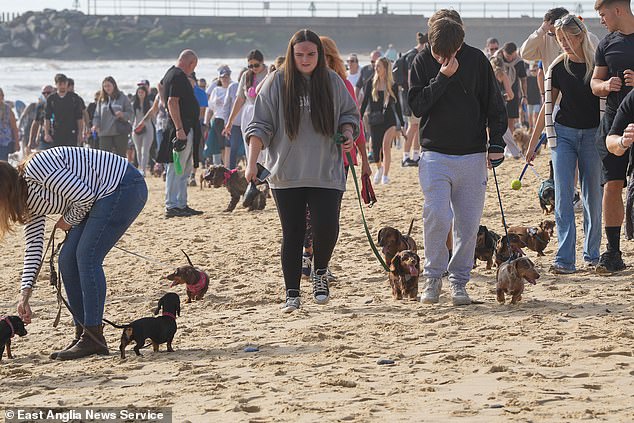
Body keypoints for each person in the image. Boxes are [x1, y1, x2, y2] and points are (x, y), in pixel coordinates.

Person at [245, 29, 359, 313]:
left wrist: (347, 133)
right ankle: (292, 293)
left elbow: (350, 115)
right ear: (291, 55)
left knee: (326, 226)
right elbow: (259, 125)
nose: (305, 60)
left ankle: (320, 271)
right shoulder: (275, 82)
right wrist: (251, 162)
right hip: (286, 173)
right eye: (299, 55)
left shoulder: (332, 81)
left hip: (326, 170)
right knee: (292, 232)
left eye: (311, 54)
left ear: (320, 55)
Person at [0, 147, 148, 360]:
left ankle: (93, 337)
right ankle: (83, 333)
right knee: (67, 260)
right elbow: (33, 246)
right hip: (97, 198)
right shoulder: (26, 201)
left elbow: (85, 197)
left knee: (87, 257)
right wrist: (25, 294)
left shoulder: (37, 169)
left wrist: (67, 221)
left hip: (123, 185)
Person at [408, 12, 507, 305]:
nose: (441, 59)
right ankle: (432, 278)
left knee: (468, 225)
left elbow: (494, 105)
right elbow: (416, 106)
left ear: (460, 44)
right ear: (430, 45)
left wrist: (497, 142)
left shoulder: (477, 61)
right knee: (437, 215)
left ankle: (459, 282)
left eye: (447, 55)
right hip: (434, 154)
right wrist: (441, 77)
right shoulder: (422, 61)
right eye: (437, 54)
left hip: (472, 155)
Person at [526, 14, 602, 274]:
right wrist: (533, 144)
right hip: (564, 135)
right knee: (563, 197)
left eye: (568, 38)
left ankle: (592, 256)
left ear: (580, 36)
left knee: (593, 196)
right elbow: (547, 107)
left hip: (594, 135)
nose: (564, 44)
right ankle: (564, 259)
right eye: (560, 40)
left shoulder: (598, 64)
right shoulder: (557, 68)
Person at [590, 0, 634, 273]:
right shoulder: (606, 44)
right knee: (612, 184)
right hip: (615, 122)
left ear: (618, 9)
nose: (601, 20)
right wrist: (605, 85)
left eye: (603, 14)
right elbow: (594, 83)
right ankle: (613, 252)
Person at [156, 49, 204, 218]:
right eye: (193, 67)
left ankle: (181, 203)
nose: (193, 70)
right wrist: (179, 128)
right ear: (190, 63)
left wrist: (165, 107)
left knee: (183, 168)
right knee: (176, 167)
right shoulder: (178, 76)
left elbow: (160, 86)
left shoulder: (170, 73)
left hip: (183, 126)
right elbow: (172, 101)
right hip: (181, 128)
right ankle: (172, 205)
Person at [360, 56, 405, 184]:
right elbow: (364, 103)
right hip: (374, 120)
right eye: (375, 66)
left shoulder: (392, 85)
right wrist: (358, 117)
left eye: (378, 66)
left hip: (388, 120)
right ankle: (379, 168)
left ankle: (385, 175)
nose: (376, 68)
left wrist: (401, 124)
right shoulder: (371, 83)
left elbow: (397, 106)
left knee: (386, 147)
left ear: (385, 68)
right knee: (375, 151)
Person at [222, 49, 268, 163]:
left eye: (256, 65)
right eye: (250, 66)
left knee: (266, 150)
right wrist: (230, 121)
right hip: (248, 114)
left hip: (265, 113)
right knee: (251, 149)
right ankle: (255, 177)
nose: (253, 68)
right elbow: (240, 99)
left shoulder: (270, 73)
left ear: (262, 62)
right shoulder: (246, 76)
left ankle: (266, 178)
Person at [395, 32, 426, 167]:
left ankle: (414, 155)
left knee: (416, 126)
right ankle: (406, 156)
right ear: (425, 44)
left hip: (408, 96)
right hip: (412, 97)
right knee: (413, 126)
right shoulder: (414, 56)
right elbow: (410, 78)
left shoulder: (410, 54)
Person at [91, 76, 133, 157]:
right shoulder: (101, 100)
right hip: (104, 132)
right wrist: (95, 125)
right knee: (104, 157)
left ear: (114, 85)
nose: (107, 88)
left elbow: (130, 113)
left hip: (119, 131)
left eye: (109, 86)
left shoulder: (122, 97)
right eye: (105, 86)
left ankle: (121, 170)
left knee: (121, 157)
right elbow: (97, 115)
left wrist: (122, 114)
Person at [44, 74, 83, 148]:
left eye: (64, 83)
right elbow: (47, 117)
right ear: (56, 85)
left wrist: (80, 133)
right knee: (57, 155)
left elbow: (79, 117)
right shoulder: (51, 99)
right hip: (57, 132)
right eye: (60, 84)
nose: (62, 86)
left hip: (72, 131)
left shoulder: (74, 98)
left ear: (67, 83)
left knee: (71, 155)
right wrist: (46, 133)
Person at [495, 43, 527, 132]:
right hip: (497, 91)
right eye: (507, 56)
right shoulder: (497, 60)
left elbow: (523, 79)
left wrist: (524, 96)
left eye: (511, 56)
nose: (509, 58)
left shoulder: (519, 62)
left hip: (512, 91)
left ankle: (509, 142)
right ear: (503, 52)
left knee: (511, 119)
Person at [205, 65, 232, 166]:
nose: (225, 79)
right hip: (218, 119)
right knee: (220, 146)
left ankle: (227, 165)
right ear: (220, 78)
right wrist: (206, 122)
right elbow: (210, 107)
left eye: (227, 77)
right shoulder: (216, 90)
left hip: (229, 119)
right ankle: (224, 165)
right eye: (223, 77)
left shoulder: (232, 87)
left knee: (228, 144)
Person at [221, 67, 247, 169]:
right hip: (234, 124)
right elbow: (226, 106)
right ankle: (231, 171)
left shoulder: (250, 88)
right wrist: (227, 123)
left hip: (248, 123)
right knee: (233, 149)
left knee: (248, 149)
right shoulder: (232, 87)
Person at [131, 85, 155, 175]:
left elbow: (153, 117)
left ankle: (143, 170)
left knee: (145, 150)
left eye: (142, 92)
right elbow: (132, 118)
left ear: (146, 93)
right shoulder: (134, 104)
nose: (140, 94)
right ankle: (140, 167)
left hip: (148, 128)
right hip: (136, 128)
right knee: (138, 150)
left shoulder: (150, 103)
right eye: (139, 92)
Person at [0, 88, 20, 161]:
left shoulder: (7, 109)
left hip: (4, 142)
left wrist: (17, 143)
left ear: (2, 96)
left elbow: (14, 128)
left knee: (2, 164)